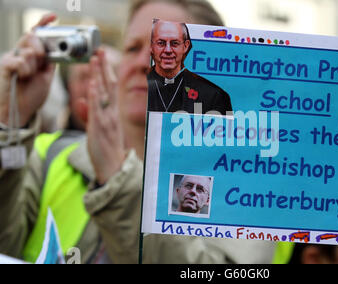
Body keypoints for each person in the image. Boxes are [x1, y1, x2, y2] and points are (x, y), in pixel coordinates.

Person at [0, 0, 275, 264]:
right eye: (132, 47)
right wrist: (10, 120)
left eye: (171, 48)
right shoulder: (50, 157)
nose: (145, 62)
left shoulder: (244, 194)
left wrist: (117, 182)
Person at [148, 20, 232, 115]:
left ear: (185, 46)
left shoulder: (213, 95)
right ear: (151, 46)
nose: (168, 50)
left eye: (175, 43)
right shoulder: (136, 87)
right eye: (161, 43)